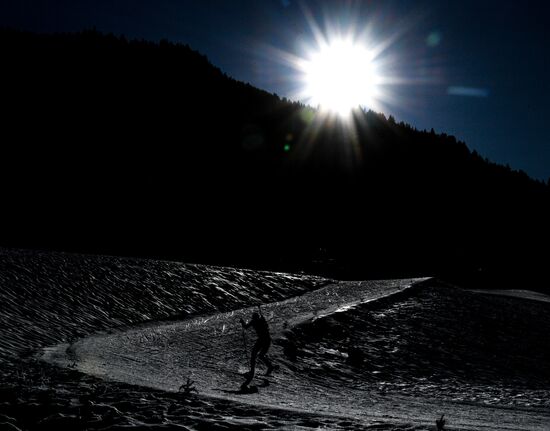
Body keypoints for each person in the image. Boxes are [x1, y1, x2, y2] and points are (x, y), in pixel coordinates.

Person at [240, 308, 274, 384]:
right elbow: (246, 327)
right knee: (258, 355)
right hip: (264, 340)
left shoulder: (258, 321)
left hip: (265, 340)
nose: (254, 319)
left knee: (257, 355)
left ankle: (254, 371)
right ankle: (268, 367)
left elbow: (245, 327)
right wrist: (243, 322)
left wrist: (242, 322)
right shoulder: (260, 320)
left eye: (254, 318)